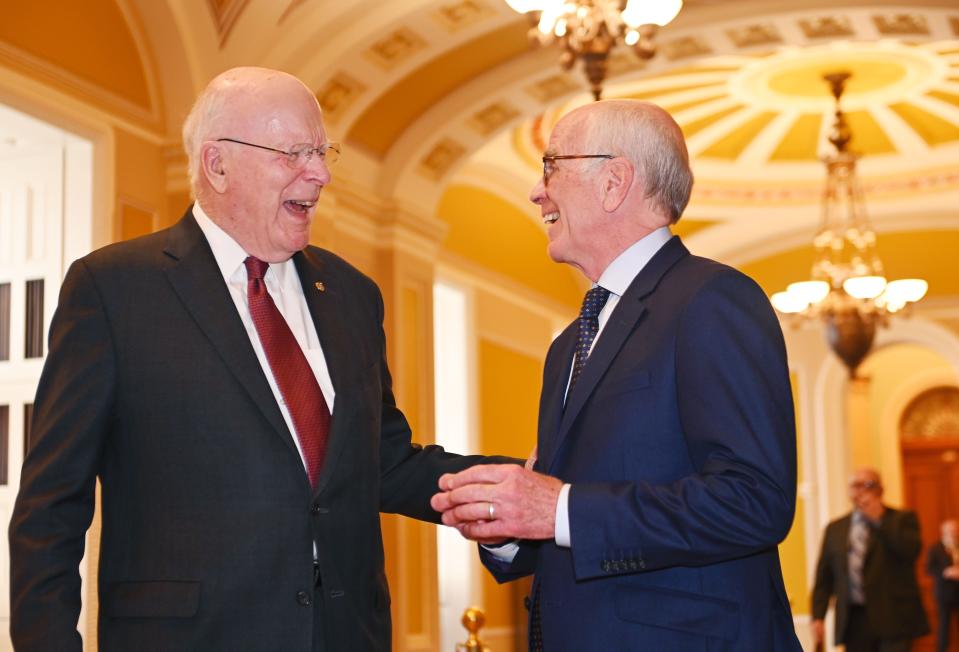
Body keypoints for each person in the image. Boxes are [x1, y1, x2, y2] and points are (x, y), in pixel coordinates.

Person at [8, 67, 505, 652]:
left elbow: (382, 463)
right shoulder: (114, 289)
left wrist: (514, 485)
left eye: (321, 152)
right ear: (217, 165)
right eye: (293, 153)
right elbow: (51, 507)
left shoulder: (351, 294)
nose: (318, 174)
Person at [431, 99, 801, 651]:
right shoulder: (566, 347)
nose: (537, 192)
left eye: (551, 166)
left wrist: (556, 508)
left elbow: (753, 501)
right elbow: (578, 526)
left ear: (614, 182)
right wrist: (511, 528)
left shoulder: (712, 299)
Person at [811, 467, 930, 652]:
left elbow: (910, 552)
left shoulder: (902, 519)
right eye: (856, 485)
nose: (862, 490)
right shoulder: (835, 529)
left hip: (894, 618)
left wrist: (880, 520)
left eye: (869, 485)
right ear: (849, 491)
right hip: (854, 619)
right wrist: (818, 616)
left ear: (880, 489)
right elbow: (824, 577)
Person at [927, 518, 959, 652]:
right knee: (943, 626)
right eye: (950, 530)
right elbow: (929, 569)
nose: (953, 532)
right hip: (943, 594)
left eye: (955, 530)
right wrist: (945, 572)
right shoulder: (935, 548)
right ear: (943, 531)